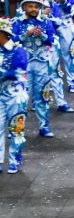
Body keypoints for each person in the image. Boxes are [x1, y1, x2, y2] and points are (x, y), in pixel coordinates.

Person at [12, 0, 57, 138]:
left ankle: (43, 127)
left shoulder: (46, 22)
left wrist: (41, 35)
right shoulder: (17, 22)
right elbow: (10, 42)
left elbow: (52, 41)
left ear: (40, 8)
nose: (33, 9)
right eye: (30, 6)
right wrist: (26, 34)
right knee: (21, 97)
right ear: (24, 7)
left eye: (36, 6)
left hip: (42, 64)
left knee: (42, 96)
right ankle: (17, 128)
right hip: (23, 65)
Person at [0, 18, 28, 175]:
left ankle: (14, 160)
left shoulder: (18, 50)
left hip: (15, 96)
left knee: (16, 128)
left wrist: (2, 73)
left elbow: (19, 72)